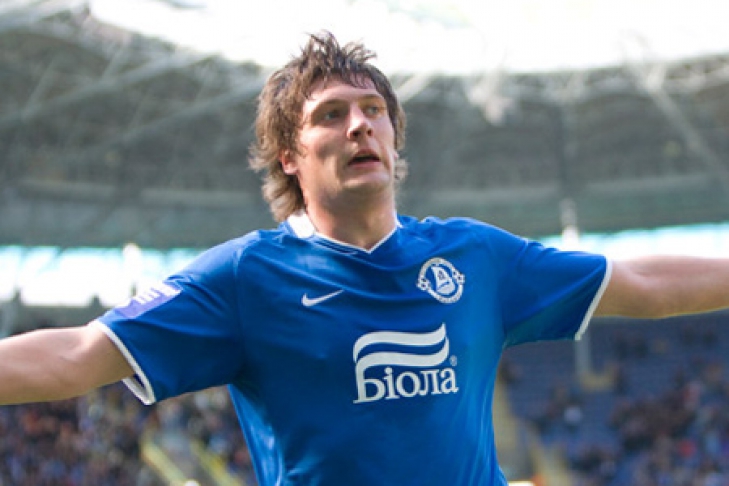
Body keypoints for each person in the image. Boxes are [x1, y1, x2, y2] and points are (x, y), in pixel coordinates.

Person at [2, 31, 729, 486]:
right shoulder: (245, 278)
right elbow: (77, 354)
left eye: (373, 110)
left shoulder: (474, 256)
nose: (360, 124)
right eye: (331, 115)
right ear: (290, 158)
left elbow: (639, 283)